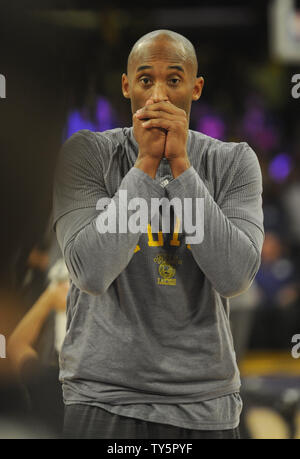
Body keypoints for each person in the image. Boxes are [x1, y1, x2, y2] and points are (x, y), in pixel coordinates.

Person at [53, 29, 264, 439]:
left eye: (174, 78)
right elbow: (90, 272)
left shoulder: (234, 162)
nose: (158, 94)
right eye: (146, 79)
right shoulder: (86, 155)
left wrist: (181, 165)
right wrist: (147, 163)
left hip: (203, 402)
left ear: (196, 87)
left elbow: (235, 276)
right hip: (103, 398)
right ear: (126, 85)